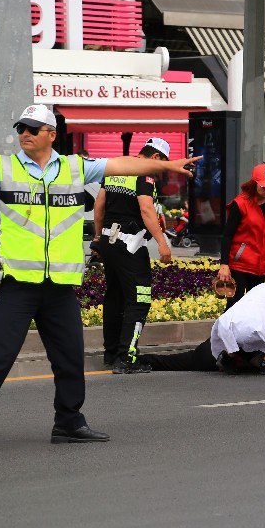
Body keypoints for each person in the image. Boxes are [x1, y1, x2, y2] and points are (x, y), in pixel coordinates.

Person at [0, 104, 195, 453]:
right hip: (18, 284)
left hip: (60, 288)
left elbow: (125, 163)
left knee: (69, 357)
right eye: (21, 128)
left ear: (51, 134)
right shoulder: (1, 167)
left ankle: (68, 422)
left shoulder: (75, 167)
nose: (25, 134)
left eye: (33, 128)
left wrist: (167, 165)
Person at [93, 137, 174, 374]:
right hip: (130, 244)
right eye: (162, 165)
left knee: (115, 297)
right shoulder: (144, 174)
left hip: (109, 241)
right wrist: (162, 243)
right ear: (156, 158)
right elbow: (146, 209)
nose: (159, 171)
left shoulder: (116, 167)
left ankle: (111, 355)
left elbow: (100, 205)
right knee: (139, 300)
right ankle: (127, 358)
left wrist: (98, 237)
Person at [217, 164, 265, 311]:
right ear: (254, 183)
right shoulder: (240, 204)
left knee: (257, 306)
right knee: (235, 305)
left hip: (262, 264)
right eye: (264, 186)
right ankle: (223, 334)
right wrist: (224, 265)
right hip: (240, 263)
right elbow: (227, 236)